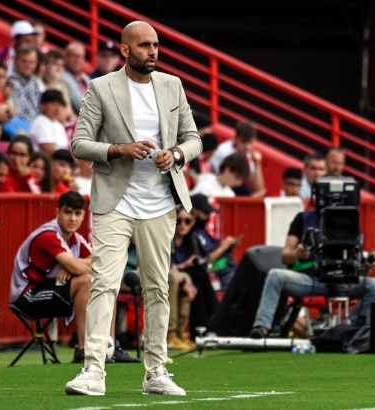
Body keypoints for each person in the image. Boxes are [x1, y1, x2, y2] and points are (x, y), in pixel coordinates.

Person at [65, 21, 201, 397]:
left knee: (158, 288)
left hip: (160, 202)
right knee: (103, 284)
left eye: (156, 45)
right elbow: (79, 143)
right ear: (125, 50)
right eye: (144, 46)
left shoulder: (173, 85)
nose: (152, 52)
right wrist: (119, 149)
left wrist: (174, 154)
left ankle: (156, 372)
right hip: (114, 202)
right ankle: (93, 369)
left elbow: (194, 140)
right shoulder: (101, 87)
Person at [249, 179, 375, 338]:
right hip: (311, 279)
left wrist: (365, 268)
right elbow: (285, 257)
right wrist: (297, 254)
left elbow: (355, 263)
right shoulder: (302, 219)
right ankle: (262, 327)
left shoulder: (349, 221)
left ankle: (348, 328)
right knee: (275, 276)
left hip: (342, 280)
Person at [10, 191, 92, 351]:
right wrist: (74, 267)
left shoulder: (76, 239)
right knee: (86, 281)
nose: (73, 218)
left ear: (83, 216)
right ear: (57, 212)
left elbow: (102, 263)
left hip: (48, 289)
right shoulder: (49, 235)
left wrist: (75, 264)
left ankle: (111, 344)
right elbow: (82, 268)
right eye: (67, 212)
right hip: (27, 296)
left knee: (106, 281)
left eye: (77, 213)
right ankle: (84, 350)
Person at [171, 204, 218, 343]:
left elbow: (206, 260)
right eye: (178, 220)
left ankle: (198, 332)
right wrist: (184, 265)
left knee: (196, 280)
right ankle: (214, 315)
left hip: (185, 275)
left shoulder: (192, 241)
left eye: (187, 221)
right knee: (198, 273)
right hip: (171, 274)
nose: (182, 225)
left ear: (193, 223)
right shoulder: (167, 239)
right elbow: (166, 266)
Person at [189, 193, 241, 291]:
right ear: (195, 211)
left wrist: (228, 248)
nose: (208, 217)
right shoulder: (191, 234)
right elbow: (201, 263)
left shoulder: (203, 231)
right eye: (205, 213)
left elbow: (215, 250)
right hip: (219, 276)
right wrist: (222, 248)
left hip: (228, 270)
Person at [208, 121, 265, 197]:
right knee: (243, 189)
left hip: (230, 188)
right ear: (236, 138)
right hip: (214, 185)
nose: (247, 147)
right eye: (244, 142)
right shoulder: (224, 151)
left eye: (250, 143)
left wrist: (257, 164)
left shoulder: (249, 155)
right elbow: (223, 178)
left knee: (244, 189)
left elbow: (258, 189)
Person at [7, 45, 44, 123]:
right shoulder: (8, 80)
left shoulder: (37, 82)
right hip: (18, 124)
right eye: (24, 61)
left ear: (37, 63)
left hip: (37, 124)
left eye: (32, 62)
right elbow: (14, 113)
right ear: (16, 60)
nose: (28, 65)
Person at [30, 89, 68, 155]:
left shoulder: (58, 124)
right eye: (53, 104)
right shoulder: (41, 122)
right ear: (43, 105)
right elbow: (50, 152)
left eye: (59, 104)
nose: (57, 108)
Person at [61, 42, 90, 114]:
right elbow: (80, 105)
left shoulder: (85, 77)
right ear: (66, 57)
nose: (78, 60)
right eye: (75, 56)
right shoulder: (62, 76)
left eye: (81, 57)